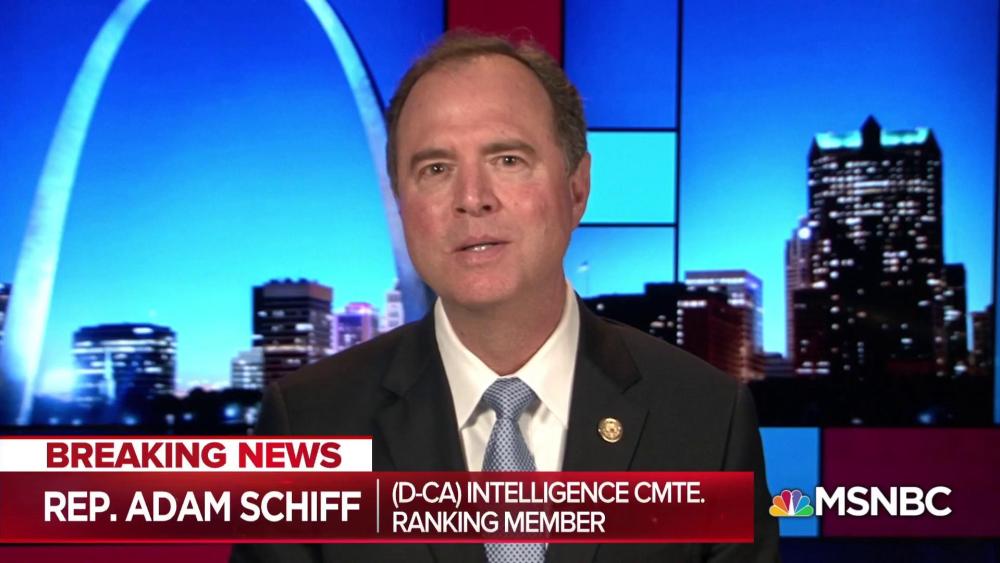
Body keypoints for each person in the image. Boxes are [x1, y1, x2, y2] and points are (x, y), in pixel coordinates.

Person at [231, 31, 779, 563]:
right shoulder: (308, 422)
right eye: (436, 169)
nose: (472, 198)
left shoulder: (706, 417)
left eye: (508, 160)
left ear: (577, 188)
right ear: (400, 205)